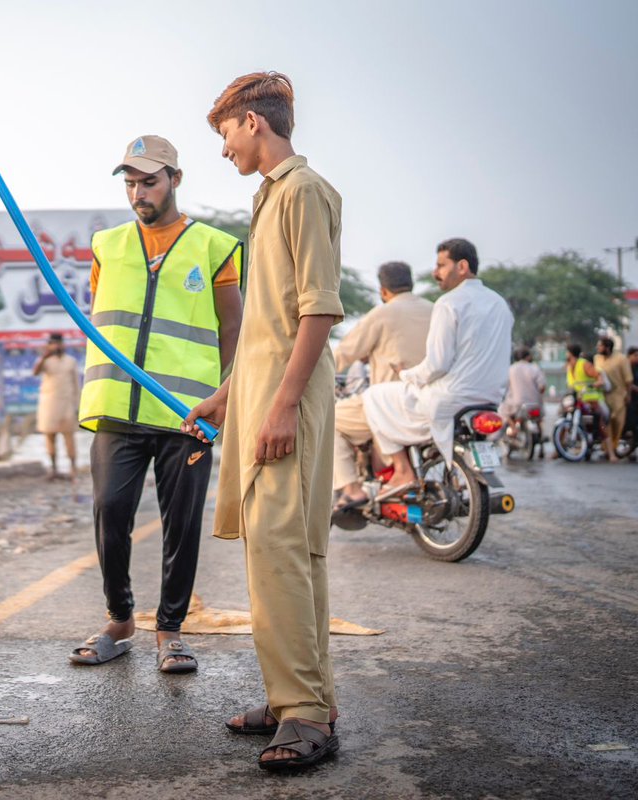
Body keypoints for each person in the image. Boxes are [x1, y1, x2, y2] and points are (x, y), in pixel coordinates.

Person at [184, 71, 342, 771]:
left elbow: (319, 310)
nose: (223, 150)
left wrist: (278, 404)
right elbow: (267, 327)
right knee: (277, 556)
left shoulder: (303, 192)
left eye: (224, 134)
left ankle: (304, 714)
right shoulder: (270, 196)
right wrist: (227, 395)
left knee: (283, 553)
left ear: (253, 123)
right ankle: (299, 701)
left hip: (288, 403)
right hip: (260, 396)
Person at [72, 133, 243, 674]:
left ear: (175, 180)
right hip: (117, 409)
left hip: (187, 414)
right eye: (130, 183)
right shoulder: (107, 245)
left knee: (182, 523)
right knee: (110, 512)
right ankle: (120, 621)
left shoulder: (214, 247)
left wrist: (225, 395)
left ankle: (170, 630)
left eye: (149, 181)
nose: (138, 192)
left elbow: (235, 328)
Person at [362, 239, 513, 492]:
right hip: (489, 399)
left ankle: (402, 471)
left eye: (441, 265)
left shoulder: (449, 303)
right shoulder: (500, 304)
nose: (435, 273)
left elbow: (437, 364)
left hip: (449, 400)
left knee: (373, 396)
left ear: (462, 266)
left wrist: (406, 374)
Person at [331, 261, 433, 511]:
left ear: (383, 290)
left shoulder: (383, 313)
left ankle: (353, 490)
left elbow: (343, 354)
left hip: (390, 404)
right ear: (410, 284)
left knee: (329, 420)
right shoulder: (435, 310)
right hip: (432, 400)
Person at [32, 332, 80, 479]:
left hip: (66, 404)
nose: (56, 346)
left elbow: (76, 385)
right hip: (49, 405)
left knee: (69, 437)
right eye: (53, 343)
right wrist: (44, 356)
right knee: (49, 437)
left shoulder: (70, 361)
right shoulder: (45, 361)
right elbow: (35, 372)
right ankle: (53, 469)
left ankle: (73, 468)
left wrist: (78, 405)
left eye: (58, 343)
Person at [565, 342, 609, 457]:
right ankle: (560, 449)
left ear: (570, 353)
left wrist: (596, 384)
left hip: (592, 399)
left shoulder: (584, 364)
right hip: (578, 400)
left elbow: (599, 377)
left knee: (600, 424)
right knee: (565, 417)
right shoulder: (569, 366)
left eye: (567, 352)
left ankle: (611, 452)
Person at [594, 336, 633, 462]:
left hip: (618, 396)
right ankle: (607, 449)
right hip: (602, 395)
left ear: (607, 347)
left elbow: (628, 379)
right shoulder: (597, 359)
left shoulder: (621, 359)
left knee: (617, 422)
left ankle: (614, 447)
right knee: (606, 422)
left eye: (600, 346)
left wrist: (628, 395)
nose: (598, 348)